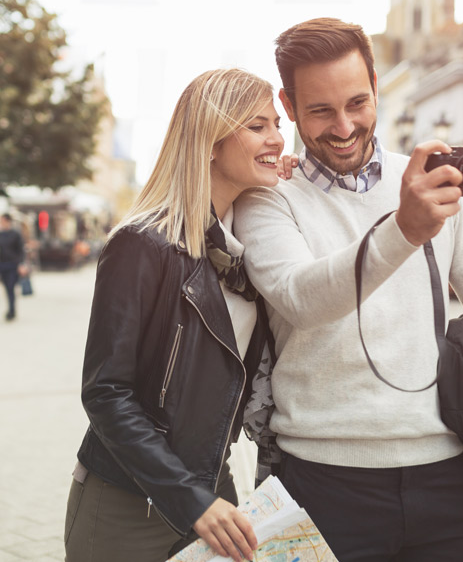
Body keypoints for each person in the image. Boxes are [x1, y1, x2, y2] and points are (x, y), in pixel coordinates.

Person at [233, 18, 463, 561]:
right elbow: (300, 296)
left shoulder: (434, 182)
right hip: (321, 482)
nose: (343, 127)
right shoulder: (269, 199)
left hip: (452, 476)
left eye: (357, 103)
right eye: (320, 110)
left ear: (378, 86)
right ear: (289, 107)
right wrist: (403, 229)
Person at [65, 68, 297, 562]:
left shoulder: (247, 249)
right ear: (211, 140)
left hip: (215, 491)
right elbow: (106, 392)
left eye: (277, 124)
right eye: (258, 126)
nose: (277, 137)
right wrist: (190, 500)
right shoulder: (141, 244)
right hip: (128, 501)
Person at [0, 214, 26, 321]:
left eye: (2, 221)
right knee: (7, 288)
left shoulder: (15, 234)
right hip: (2, 265)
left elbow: (21, 251)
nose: (1, 223)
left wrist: (21, 264)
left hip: (13, 265)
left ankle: (12, 310)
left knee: (11, 287)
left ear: (8, 221)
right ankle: (10, 308)